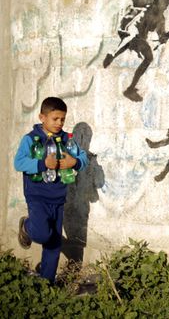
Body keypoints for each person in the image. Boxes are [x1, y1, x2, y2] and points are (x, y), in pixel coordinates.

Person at [13, 96, 89, 284]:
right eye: (55, 119)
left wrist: (75, 162)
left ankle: (46, 282)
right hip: (37, 196)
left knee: (53, 243)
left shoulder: (67, 140)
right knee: (41, 234)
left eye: (62, 119)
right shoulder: (30, 139)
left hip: (58, 197)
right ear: (42, 117)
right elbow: (19, 162)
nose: (59, 123)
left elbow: (83, 158)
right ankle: (27, 226)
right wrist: (41, 163)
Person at [103, 0, 169, 102]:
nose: (164, 6)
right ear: (156, 2)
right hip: (132, 32)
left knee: (147, 56)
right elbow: (133, 26)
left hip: (140, 38)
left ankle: (130, 88)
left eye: (166, 4)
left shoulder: (160, 18)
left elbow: (161, 37)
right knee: (131, 40)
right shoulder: (147, 11)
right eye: (162, 3)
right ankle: (112, 55)